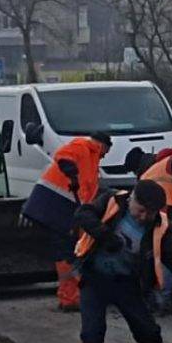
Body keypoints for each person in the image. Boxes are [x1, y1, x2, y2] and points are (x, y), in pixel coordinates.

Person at [72, 181, 172, 343]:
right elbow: (83, 214)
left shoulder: (161, 227)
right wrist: (105, 235)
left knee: (148, 331)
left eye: (149, 214)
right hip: (94, 278)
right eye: (140, 210)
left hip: (127, 284)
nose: (143, 217)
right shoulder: (111, 201)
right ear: (132, 198)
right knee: (92, 332)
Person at [33, 131, 113, 312]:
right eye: (107, 150)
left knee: (68, 252)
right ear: (103, 145)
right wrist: (71, 171)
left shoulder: (92, 159)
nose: (106, 155)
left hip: (63, 208)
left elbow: (88, 191)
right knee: (66, 253)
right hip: (55, 205)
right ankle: (69, 298)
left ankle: (71, 296)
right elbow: (62, 156)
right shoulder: (83, 146)